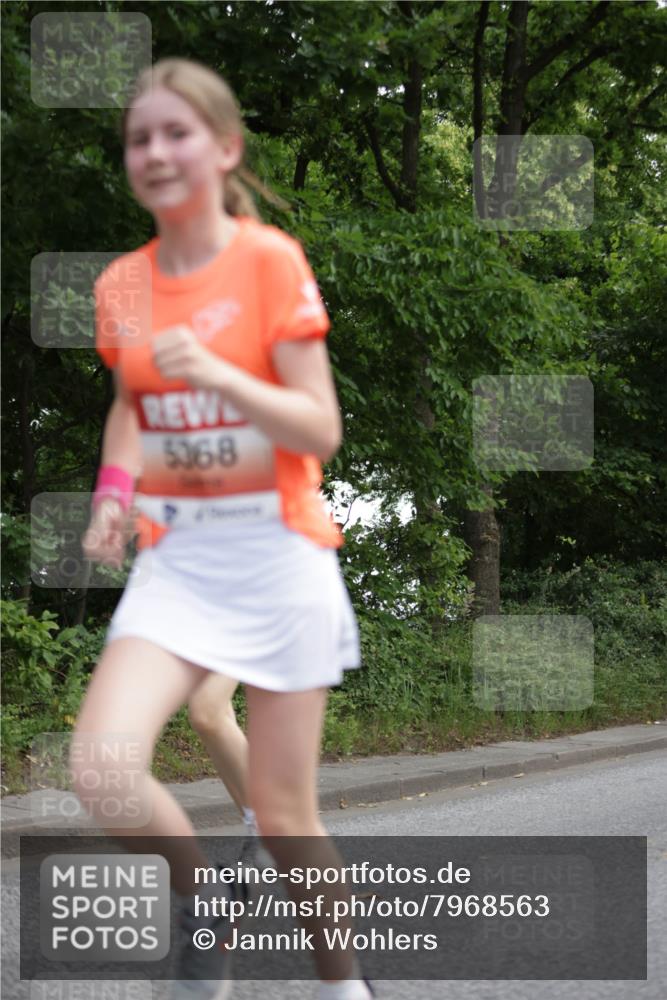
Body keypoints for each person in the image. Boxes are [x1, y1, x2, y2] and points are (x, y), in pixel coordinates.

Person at [74, 57, 375, 1000]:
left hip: (279, 557)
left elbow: (317, 426)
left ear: (225, 148)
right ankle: (205, 899)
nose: (155, 151)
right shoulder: (122, 284)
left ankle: (342, 987)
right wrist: (115, 492)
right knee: (103, 771)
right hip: (179, 563)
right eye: (139, 138)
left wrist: (216, 371)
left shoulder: (268, 260)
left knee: (286, 818)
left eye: (177, 133)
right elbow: (131, 406)